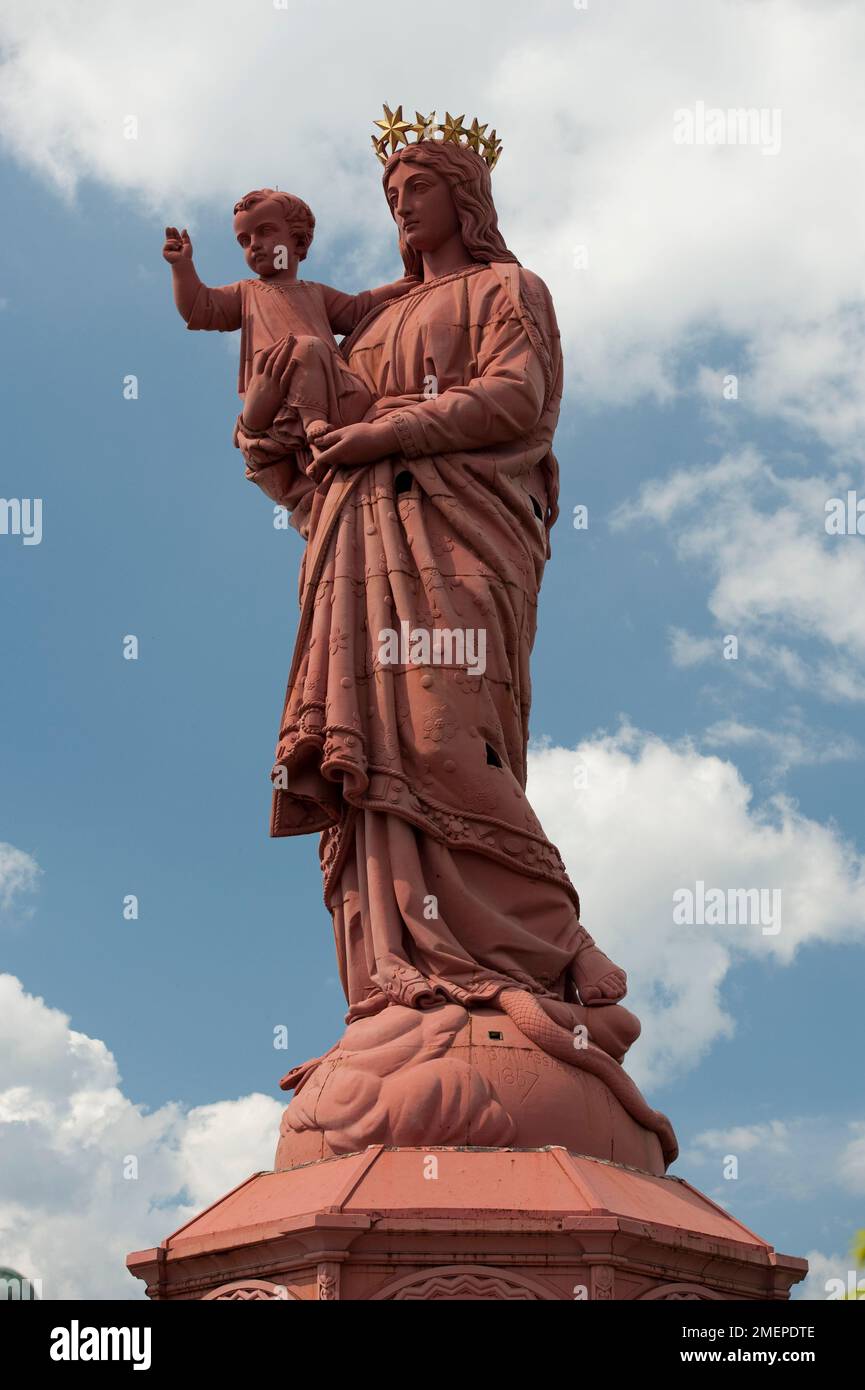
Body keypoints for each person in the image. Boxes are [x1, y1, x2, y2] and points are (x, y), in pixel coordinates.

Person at [234, 137, 640, 1069]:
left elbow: (515, 398)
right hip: (354, 551)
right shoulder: (364, 325)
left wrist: (383, 432)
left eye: (419, 187)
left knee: (440, 730)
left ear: (465, 199)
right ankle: (397, 979)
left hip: (461, 539)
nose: (401, 206)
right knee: (368, 754)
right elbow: (298, 466)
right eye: (389, 192)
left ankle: (551, 942)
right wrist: (263, 421)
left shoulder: (509, 291)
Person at [162, 188, 416, 457]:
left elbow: (357, 309)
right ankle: (310, 419)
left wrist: (400, 288)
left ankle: (317, 419)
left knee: (309, 348)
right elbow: (200, 308)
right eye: (244, 241)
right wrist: (182, 267)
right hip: (275, 391)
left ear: (299, 241)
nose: (254, 245)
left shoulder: (315, 292)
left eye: (265, 231)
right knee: (304, 347)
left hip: (328, 384)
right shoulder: (246, 291)